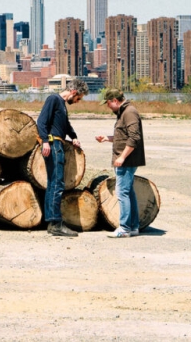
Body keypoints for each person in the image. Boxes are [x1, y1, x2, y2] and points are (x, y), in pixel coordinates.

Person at [36, 79, 89, 237]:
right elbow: (41, 122)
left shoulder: (61, 104)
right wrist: (45, 141)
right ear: (73, 92)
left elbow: (65, 124)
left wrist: (73, 136)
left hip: (57, 144)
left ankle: (52, 222)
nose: (78, 101)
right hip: (54, 145)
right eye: (78, 98)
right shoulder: (54, 99)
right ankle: (56, 224)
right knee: (57, 183)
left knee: (54, 183)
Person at [95, 88, 145, 238]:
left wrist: (122, 157)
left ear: (115, 101)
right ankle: (133, 226)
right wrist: (107, 138)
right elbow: (123, 136)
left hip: (126, 161)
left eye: (108, 103)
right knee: (128, 192)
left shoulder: (129, 112)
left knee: (122, 193)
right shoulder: (123, 112)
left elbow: (134, 137)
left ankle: (124, 229)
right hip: (125, 159)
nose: (107, 106)